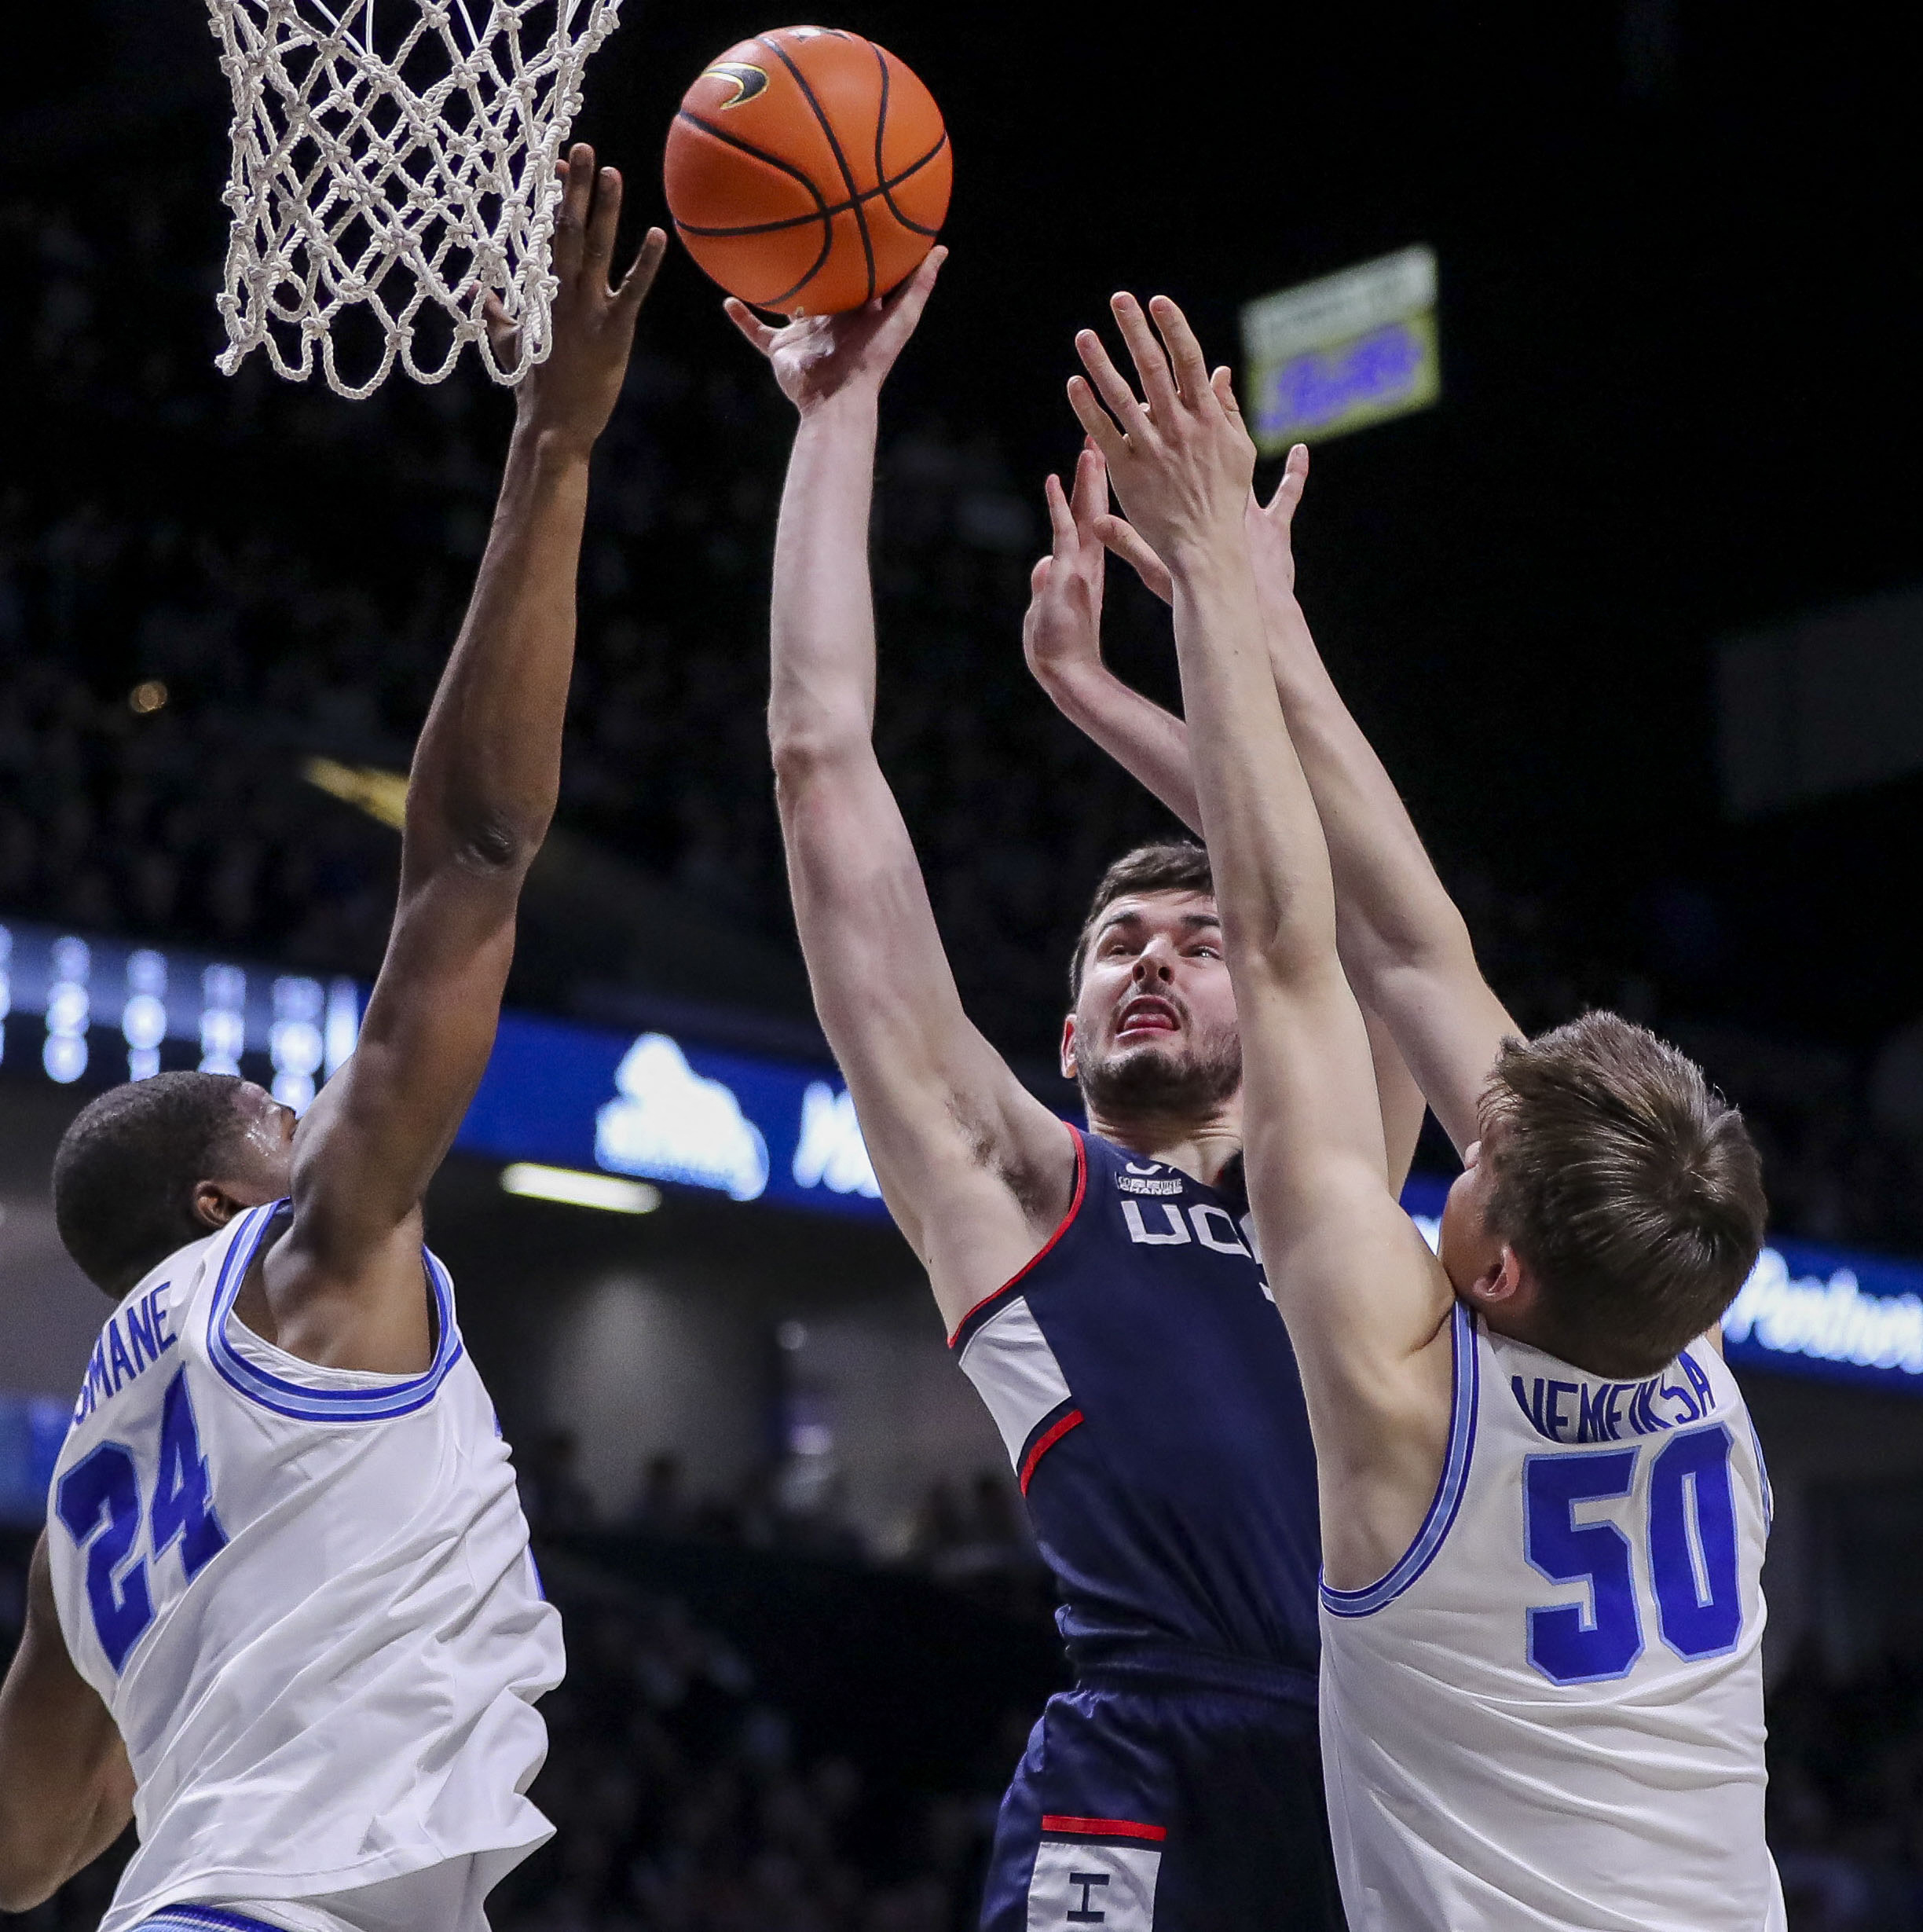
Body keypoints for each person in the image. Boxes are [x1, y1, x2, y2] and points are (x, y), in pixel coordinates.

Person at [0, 148, 664, 1932]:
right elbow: (474, 859)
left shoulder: (81, 1495)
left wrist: (177, 1695)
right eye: (287, 1118)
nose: (329, 1123)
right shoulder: (300, 1268)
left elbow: (16, 1848)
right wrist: (555, 452)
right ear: (221, 1202)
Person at [1062, 290, 1777, 1929]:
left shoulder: (1401, 1402)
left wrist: (1213, 619)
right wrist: (1255, 607)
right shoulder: (1675, 1314)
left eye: (1484, 1156)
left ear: (1501, 1266)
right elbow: (1401, 945)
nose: (1473, 1118)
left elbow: (1301, 949)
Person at [732, 254, 1425, 1932]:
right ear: (1065, 1041)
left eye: (1197, 940)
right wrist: (841, 418)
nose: (1154, 963)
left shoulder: (1337, 1190)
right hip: (1146, 1765)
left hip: (1391, 1775)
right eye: (1117, 945)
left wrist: (1112, 701)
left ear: (1269, 1019)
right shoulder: (1021, 1188)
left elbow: (1359, 910)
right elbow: (823, 760)